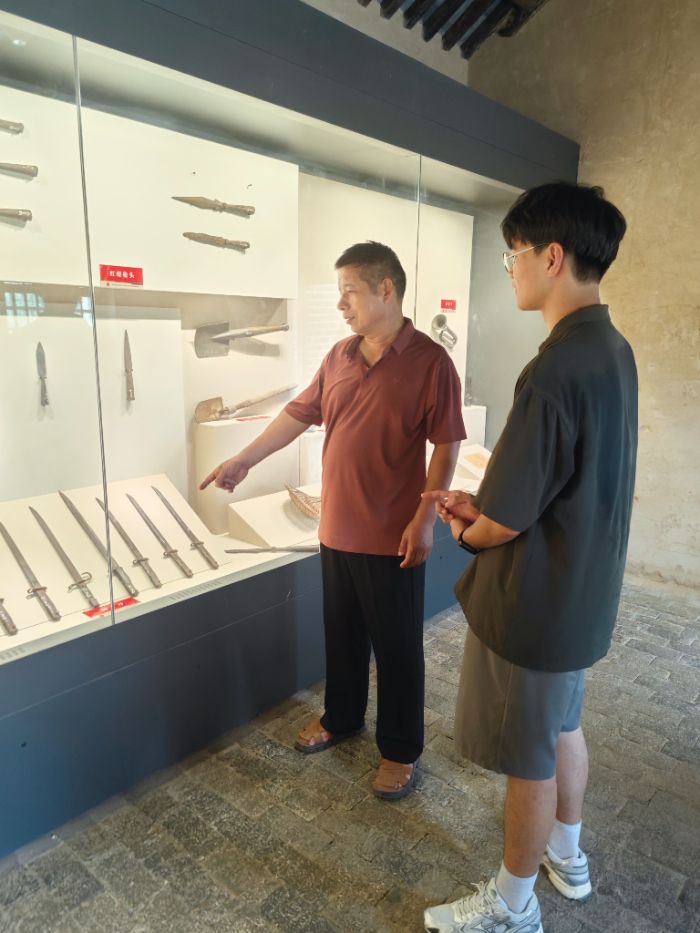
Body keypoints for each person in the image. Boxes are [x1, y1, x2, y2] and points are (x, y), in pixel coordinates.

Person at [422, 183, 636, 932]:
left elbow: (504, 520)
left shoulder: (554, 368)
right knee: (563, 725)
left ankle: (512, 907)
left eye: (512, 253)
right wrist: (490, 509)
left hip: (538, 603)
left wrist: (467, 526)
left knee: (530, 755)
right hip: (583, 590)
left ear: (551, 257)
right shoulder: (611, 348)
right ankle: (567, 857)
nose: (509, 267)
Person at [200, 241, 466, 800]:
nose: (341, 304)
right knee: (342, 637)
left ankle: (400, 749)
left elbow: (445, 445)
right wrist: (244, 459)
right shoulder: (340, 356)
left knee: (397, 647)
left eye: (349, 292)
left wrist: (425, 517)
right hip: (337, 528)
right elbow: (298, 414)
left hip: (391, 534)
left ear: (385, 289)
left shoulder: (430, 362)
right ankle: (342, 718)